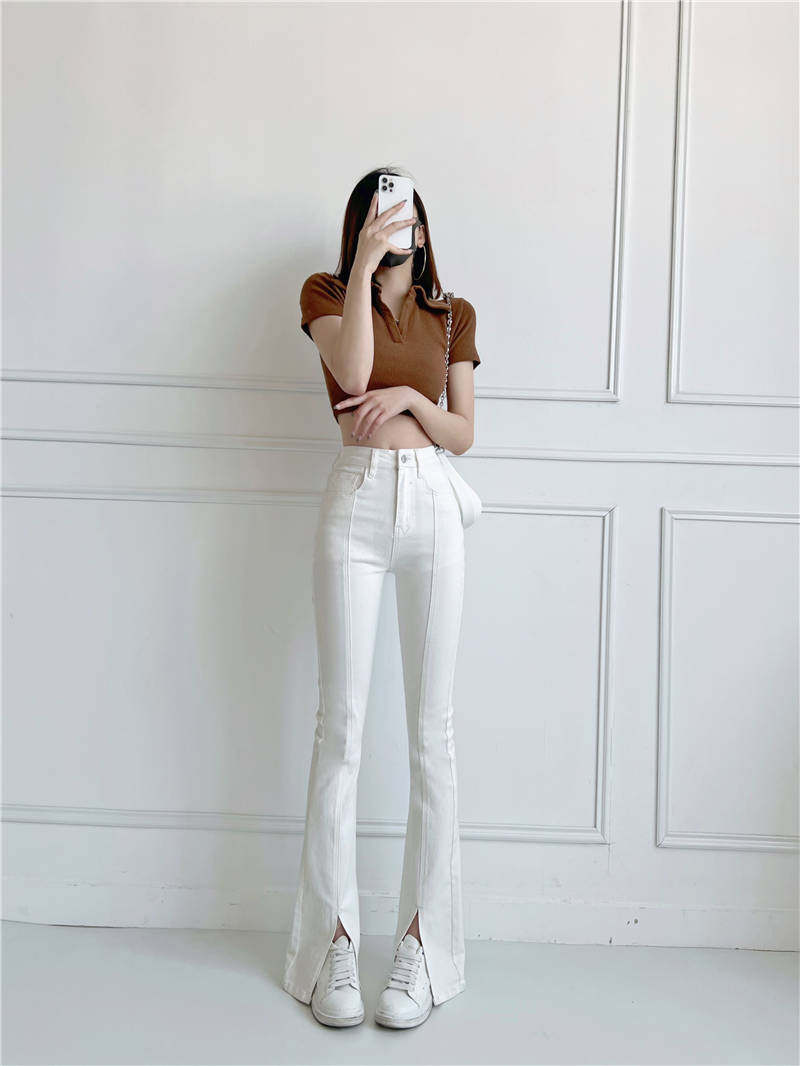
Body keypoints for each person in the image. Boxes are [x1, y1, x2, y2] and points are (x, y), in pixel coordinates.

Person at [282, 165, 481, 1029]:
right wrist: (363, 266)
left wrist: (410, 399)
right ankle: (330, 945)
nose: (390, 223)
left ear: (422, 230)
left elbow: (463, 432)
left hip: (432, 502)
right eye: (375, 212)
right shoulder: (327, 293)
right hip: (356, 502)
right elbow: (352, 366)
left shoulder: (453, 314)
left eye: (401, 215)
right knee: (342, 730)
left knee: (433, 737)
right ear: (360, 224)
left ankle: (423, 948)